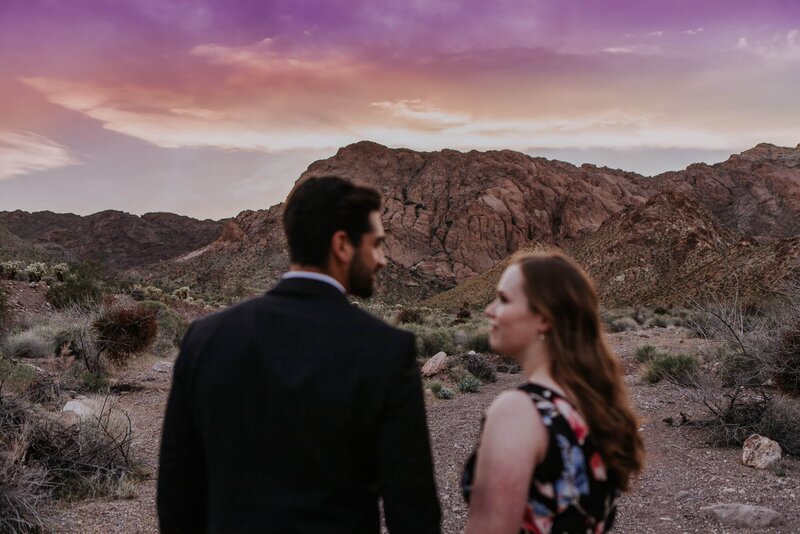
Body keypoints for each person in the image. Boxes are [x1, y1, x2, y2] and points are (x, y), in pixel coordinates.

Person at [157, 176, 441, 534]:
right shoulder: (385, 349)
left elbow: (177, 493)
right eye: (376, 245)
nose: (382, 261)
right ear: (342, 245)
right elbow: (412, 511)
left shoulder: (206, 338)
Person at [462, 252, 644, 534]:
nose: (489, 310)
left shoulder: (518, 411)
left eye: (504, 299)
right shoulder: (593, 408)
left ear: (544, 317)